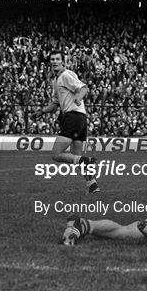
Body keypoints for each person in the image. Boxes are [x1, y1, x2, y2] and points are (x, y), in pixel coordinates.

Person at [31, 50, 99, 193]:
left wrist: (79, 98)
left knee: (56, 154)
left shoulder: (66, 75)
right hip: (80, 119)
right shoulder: (56, 80)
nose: (54, 61)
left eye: (57, 59)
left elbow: (83, 88)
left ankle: (85, 161)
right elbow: (55, 103)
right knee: (76, 156)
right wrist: (42, 111)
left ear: (63, 61)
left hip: (73, 117)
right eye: (52, 59)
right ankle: (93, 186)